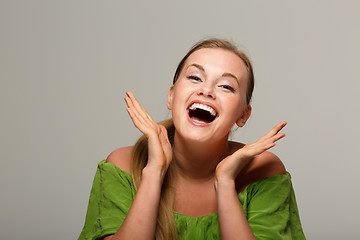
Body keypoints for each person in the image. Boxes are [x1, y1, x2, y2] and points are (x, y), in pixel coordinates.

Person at [78, 38, 306, 240]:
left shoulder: (264, 172)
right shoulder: (122, 166)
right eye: (195, 77)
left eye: (226, 86)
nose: (206, 90)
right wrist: (154, 172)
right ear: (171, 96)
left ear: (243, 115)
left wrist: (225, 183)